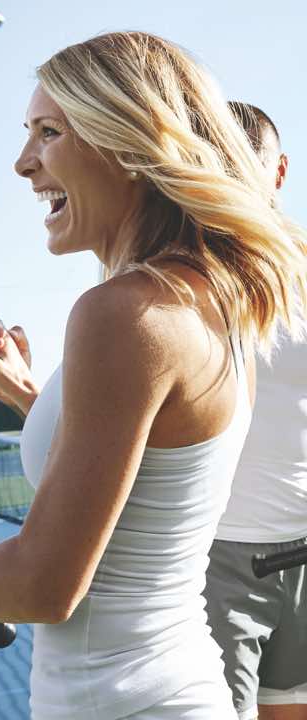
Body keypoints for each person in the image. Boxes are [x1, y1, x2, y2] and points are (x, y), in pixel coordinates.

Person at [0, 32, 307, 719]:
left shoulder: (123, 314)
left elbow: (44, 586)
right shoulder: (207, 303)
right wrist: (27, 395)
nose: (22, 162)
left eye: (49, 132)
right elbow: (136, 492)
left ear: (126, 144)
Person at [203, 103, 307, 720]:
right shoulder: (179, 277)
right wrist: (26, 393)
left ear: (279, 171)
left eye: (248, 162)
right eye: (218, 159)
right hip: (216, 562)